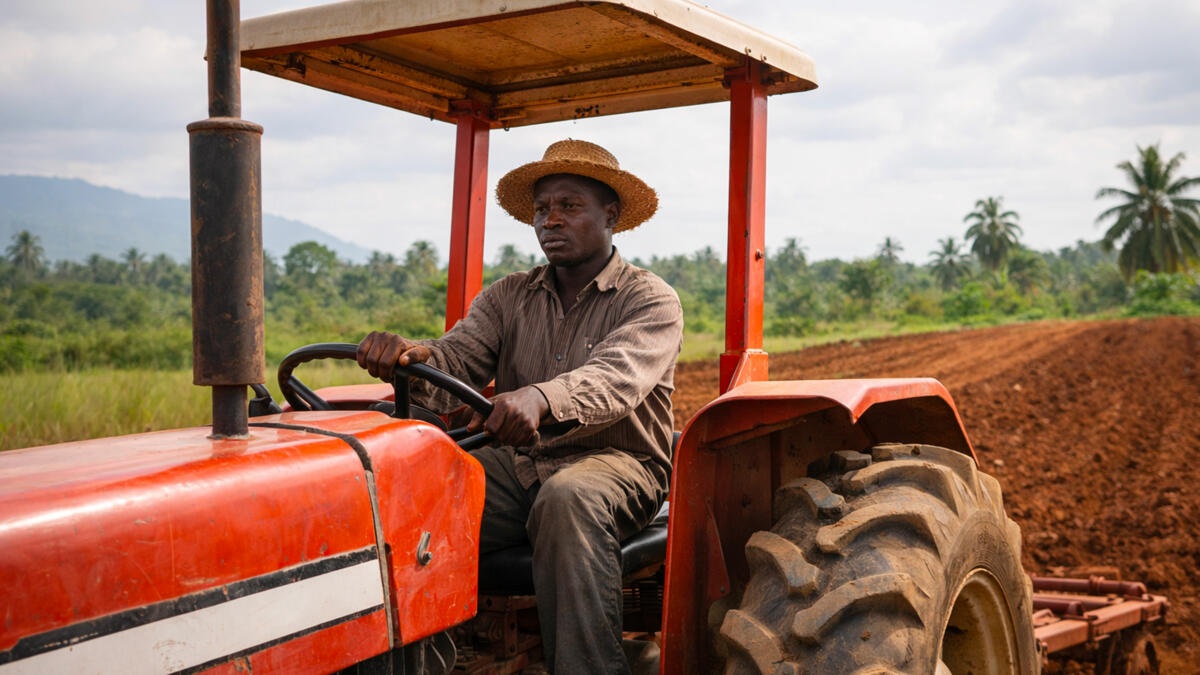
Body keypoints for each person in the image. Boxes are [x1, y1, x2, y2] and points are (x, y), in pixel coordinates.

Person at [357, 139, 683, 674]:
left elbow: (615, 379)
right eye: (541, 209)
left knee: (568, 498)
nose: (550, 221)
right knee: (414, 492)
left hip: (618, 464)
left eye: (569, 206)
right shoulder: (508, 296)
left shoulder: (649, 300)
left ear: (611, 215)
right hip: (519, 462)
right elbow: (455, 359)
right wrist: (409, 359)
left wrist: (540, 396)